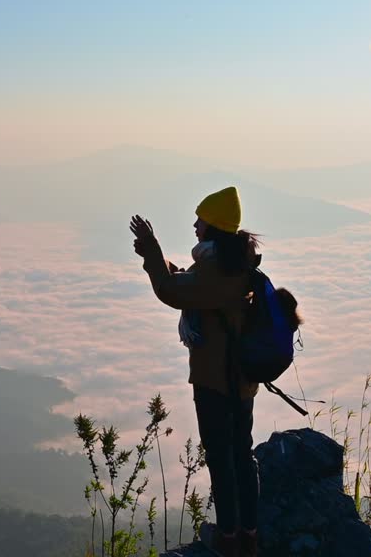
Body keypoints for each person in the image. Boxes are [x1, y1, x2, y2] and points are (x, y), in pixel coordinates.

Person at [129, 186, 265, 557]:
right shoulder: (235, 262)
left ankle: (230, 538)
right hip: (241, 380)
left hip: (215, 381)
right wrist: (163, 262)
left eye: (200, 220)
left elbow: (174, 292)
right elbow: (191, 286)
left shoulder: (215, 269)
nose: (194, 225)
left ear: (214, 226)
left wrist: (153, 254)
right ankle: (248, 535)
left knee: (223, 457)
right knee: (241, 453)